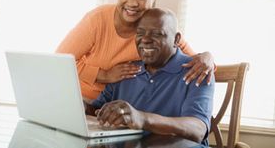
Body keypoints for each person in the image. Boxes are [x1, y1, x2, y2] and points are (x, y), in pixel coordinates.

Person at [56, 0, 214, 100]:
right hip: (80, 99)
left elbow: (195, 61)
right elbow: (59, 61)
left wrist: (207, 57)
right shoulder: (98, 19)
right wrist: (104, 75)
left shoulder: (160, 27)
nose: (132, 3)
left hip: (121, 107)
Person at [86, 8, 215, 146]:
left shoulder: (197, 70)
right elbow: (96, 111)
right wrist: (77, 105)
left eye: (156, 34)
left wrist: (142, 119)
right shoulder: (125, 70)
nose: (145, 40)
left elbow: (198, 129)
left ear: (176, 39)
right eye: (140, 33)